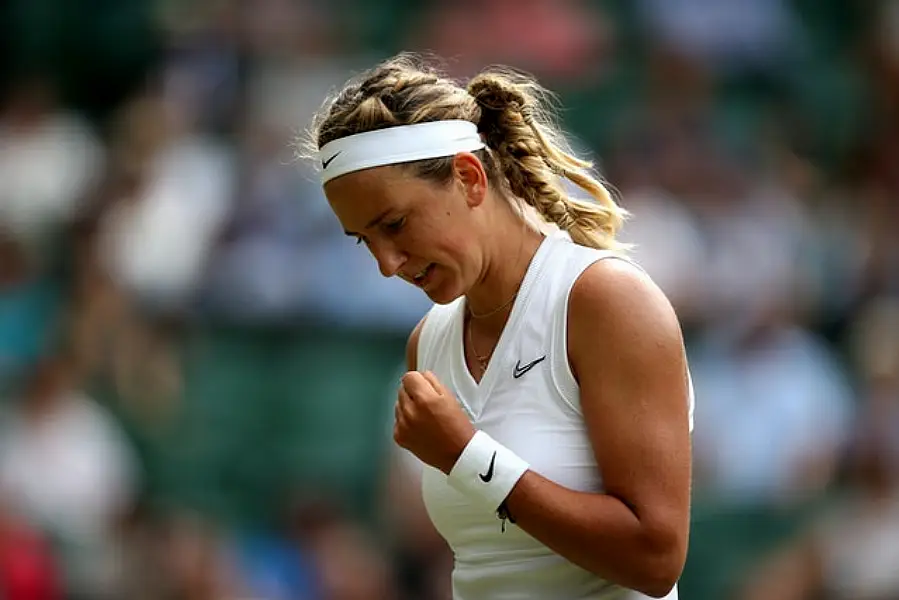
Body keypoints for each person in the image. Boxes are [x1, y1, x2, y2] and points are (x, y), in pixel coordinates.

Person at [301, 53, 694, 600]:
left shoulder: (605, 300)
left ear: (468, 177)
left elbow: (656, 559)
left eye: (395, 224)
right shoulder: (429, 341)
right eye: (365, 240)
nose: (387, 264)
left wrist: (468, 456)